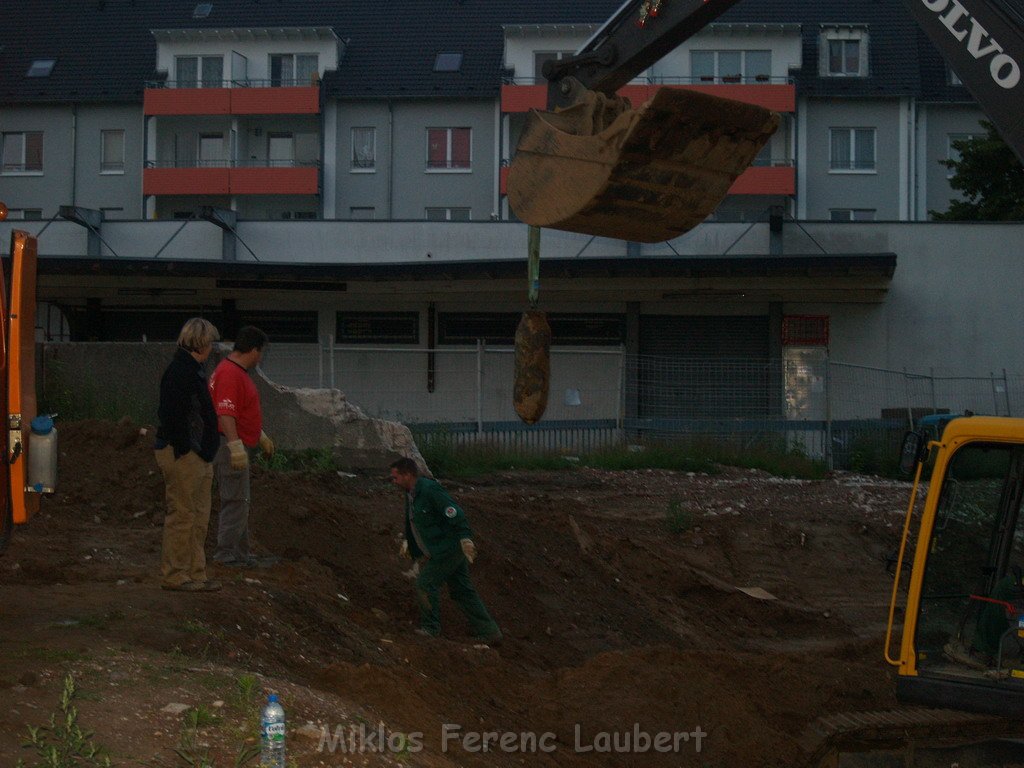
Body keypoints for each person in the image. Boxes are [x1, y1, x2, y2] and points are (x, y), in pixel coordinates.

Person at [389, 457, 502, 645]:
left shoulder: (430, 490)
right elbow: (415, 520)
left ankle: (430, 628)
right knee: (461, 590)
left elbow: (454, 511)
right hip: (441, 549)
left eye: (396, 477)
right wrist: (410, 542)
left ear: (408, 475)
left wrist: (465, 537)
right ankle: (489, 631)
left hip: (448, 549)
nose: (394, 482)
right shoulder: (411, 493)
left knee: (425, 584)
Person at [154, 318, 222, 592]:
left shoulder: (194, 370)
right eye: (210, 342)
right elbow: (172, 415)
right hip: (185, 453)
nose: (212, 347)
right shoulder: (180, 372)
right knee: (183, 514)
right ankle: (175, 575)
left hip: (198, 454)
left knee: (198, 515)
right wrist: (185, 449)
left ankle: (195, 572)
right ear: (201, 342)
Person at [208, 326, 277, 568]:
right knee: (235, 500)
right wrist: (235, 445)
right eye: (261, 352)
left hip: (233, 440)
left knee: (240, 499)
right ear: (254, 350)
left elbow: (241, 411)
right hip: (228, 444)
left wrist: (259, 435)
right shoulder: (230, 374)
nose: (260, 358)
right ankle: (226, 554)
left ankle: (240, 553)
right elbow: (226, 414)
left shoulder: (234, 372)